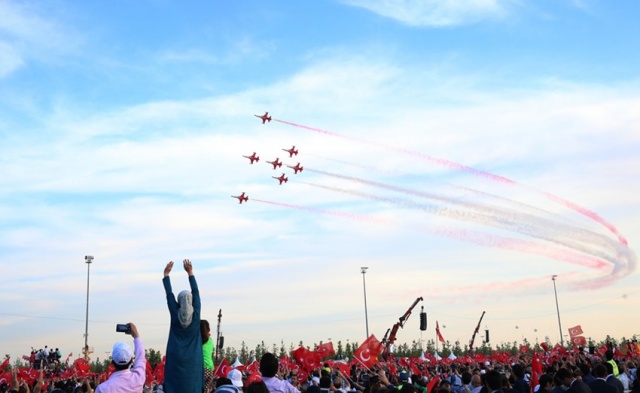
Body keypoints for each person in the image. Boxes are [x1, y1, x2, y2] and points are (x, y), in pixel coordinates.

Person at [162, 259, 203, 393]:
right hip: (193, 360)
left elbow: (169, 295)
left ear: (178, 303)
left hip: (175, 358)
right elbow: (196, 292)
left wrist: (166, 274)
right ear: (191, 302)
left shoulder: (175, 314)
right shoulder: (196, 315)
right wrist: (190, 272)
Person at [95, 322, 146, 393]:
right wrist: (136, 335)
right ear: (131, 360)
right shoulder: (138, 379)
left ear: (112, 362)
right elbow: (141, 357)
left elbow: (141, 357)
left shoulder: (102, 389)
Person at [202, 320, 215, 393]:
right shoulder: (210, 340)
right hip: (210, 368)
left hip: (203, 368)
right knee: (206, 390)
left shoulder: (198, 340)